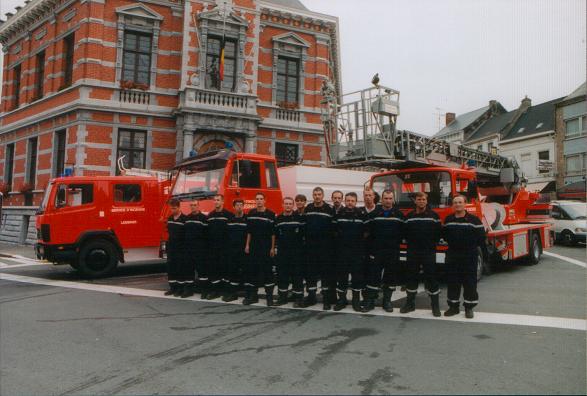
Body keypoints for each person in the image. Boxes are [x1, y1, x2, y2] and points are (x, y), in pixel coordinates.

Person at [442, 195, 486, 319]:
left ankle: (469, 307)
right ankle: (453, 307)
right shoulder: (448, 219)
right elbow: (445, 236)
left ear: (465, 204)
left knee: (469, 282)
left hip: (469, 255)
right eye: (455, 202)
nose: (457, 204)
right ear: (452, 205)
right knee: (452, 281)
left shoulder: (474, 220)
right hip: (453, 254)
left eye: (460, 202)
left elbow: (481, 238)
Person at [364, 189, 405, 312]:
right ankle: (370, 301)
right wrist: (371, 251)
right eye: (385, 198)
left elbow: (403, 233)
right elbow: (368, 234)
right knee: (373, 277)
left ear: (393, 199)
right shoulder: (373, 214)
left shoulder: (399, 215)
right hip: (376, 252)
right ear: (381, 199)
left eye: (390, 198)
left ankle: (387, 301)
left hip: (392, 252)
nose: (388, 200)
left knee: (390, 277)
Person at [401, 192, 441, 316]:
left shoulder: (434, 216)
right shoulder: (409, 216)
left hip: (428, 252)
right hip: (413, 252)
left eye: (423, 199)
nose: (421, 201)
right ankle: (410, 304)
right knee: (411, 277)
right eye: (419, 199)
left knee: (431, 278)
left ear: (426, 201)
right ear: (415, 201)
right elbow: (405, 234)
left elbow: (438, 233)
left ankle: (435, 306)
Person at [333, 192, 367, 312]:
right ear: (345, 201)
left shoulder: (361, 215)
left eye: (352, 201)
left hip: (356, 253)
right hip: (342, 252)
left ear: (356, 202)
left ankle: (356, 302)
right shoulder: (339, 215)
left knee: (357, 278)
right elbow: (334, 233)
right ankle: (341, 301)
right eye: (347, 200)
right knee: (341, 277)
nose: (350, 203)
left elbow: (366, 234)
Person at [304, 186, 336, 310]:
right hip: (311, 247)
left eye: (319, 194)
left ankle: (326, 300)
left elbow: (333, 229)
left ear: (323, 196)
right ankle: (311, 297)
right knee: (310, 273)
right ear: (313, 196)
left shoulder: (329, 209)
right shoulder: (309, 208)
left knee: (325, 274)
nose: (317, 196)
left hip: (325, 248)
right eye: (315, 194)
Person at [244, 193, 276, 306]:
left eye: (261, 199)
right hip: (253, 248)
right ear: (255, 201)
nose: (259, 201)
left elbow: (273, 234)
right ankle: (253, 296)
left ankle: (269, 298)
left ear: (265, 200)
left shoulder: (271, 214)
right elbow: (249, 232)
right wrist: (247, 245)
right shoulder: (251, 213)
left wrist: (272, 248)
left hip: (266, 248)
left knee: (268, 273)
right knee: (253, 272)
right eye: (257, 199)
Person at [274, 197, 305, 307]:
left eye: (290, 204)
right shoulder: (278, 219)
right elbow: (275, 236)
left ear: (293, 205)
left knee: (297, 276)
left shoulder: (299, 218)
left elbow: (303, 235)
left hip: (296, 253)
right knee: (282, 275)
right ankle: (282, 297)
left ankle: (298, 298)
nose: (288, 206)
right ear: (282, 205)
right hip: (283, 253)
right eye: (286, 203)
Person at [205, 194, 234, 300]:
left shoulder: (229, 215)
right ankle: (215, 291)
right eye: (215, 200)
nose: (216, 202)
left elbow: (232, 232)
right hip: (213, 248)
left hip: (225, 248)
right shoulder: (210, 215)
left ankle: (226, 291)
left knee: (226, 269)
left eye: (218, 200)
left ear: (223, 202)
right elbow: (207, 232)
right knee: (214, 270)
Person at [183, 200, 208, 298]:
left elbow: (207, 235)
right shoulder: (187, 218)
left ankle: (204, 291)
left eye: (195, 205)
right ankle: (189, 290)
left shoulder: (204, 219)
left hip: (200, 250)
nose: (193, 207)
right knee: (189, 271)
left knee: (202, 271)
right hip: (189, 250)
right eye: (191, 205)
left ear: (198, 206)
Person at [224, 199, 248, 302]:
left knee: (246, 271)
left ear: (243, 206)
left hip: (244, 250)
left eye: (241, 205)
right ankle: (233, 294)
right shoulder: (230, 219)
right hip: (232, 251)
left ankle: (248, 294)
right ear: (234, 207)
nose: (239, 207)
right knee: (232, 271)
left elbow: (250, 234)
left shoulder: (247, 219)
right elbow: (227, 235)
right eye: (237, 205)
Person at [164, 199, 187, 297]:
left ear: (179, 207)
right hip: (171, 248)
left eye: (174, 208)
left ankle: (180, 288)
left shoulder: (184, 219)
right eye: (171, 208)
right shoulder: (170, 218)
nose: (172, 210)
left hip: (180, 249)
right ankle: (172, 288)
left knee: (180, 268)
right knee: (171, 268)